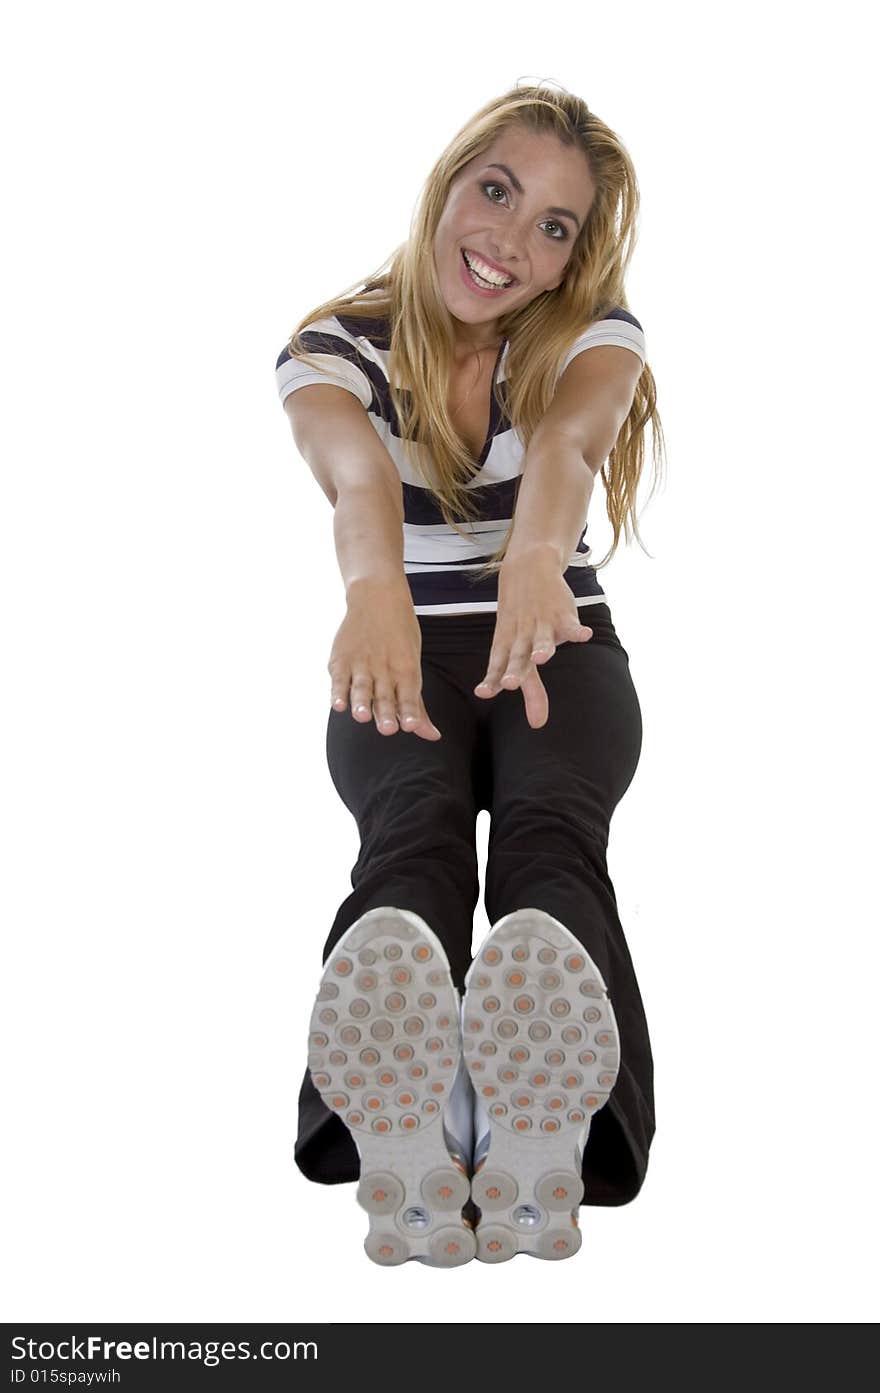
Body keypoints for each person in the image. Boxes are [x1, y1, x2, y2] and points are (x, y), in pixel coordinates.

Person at [275, 79, 666, 1267]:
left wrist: (539, 559)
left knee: (551, 840)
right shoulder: (331, 345)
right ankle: (423, 1129)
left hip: (554, 644)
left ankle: (545, 1137)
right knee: (413, 834)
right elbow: (353, 476)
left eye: (552, 225)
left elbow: (567, 444)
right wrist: (373, 592)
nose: (508, 240)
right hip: (400, 642)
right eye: (495, 190)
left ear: (568, 262)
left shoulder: (595, 335)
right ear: (447, 183)